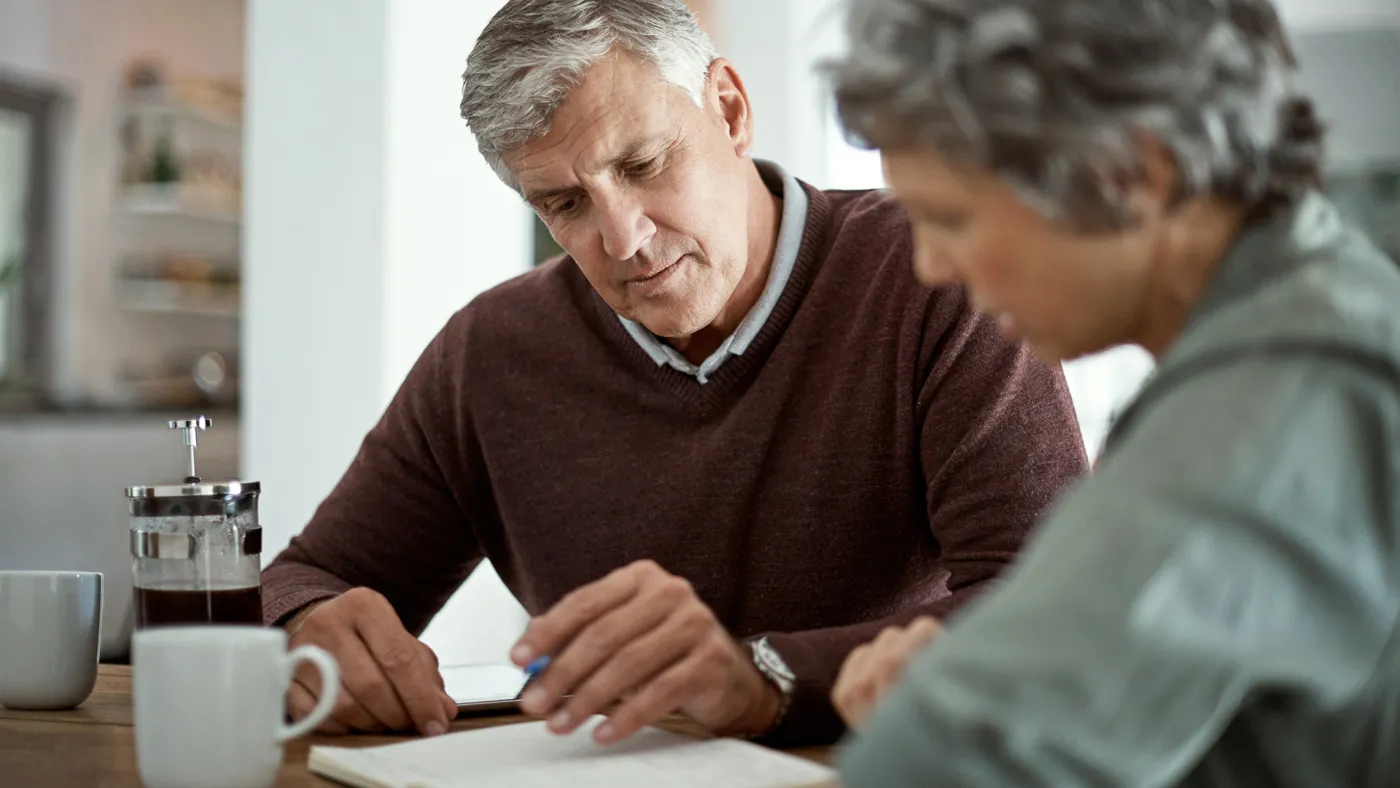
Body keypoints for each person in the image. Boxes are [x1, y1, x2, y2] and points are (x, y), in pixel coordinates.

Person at [260, 0, 1087, 748]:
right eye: (565, 205)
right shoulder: (491, 352)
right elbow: (304, 578)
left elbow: (1054, 616)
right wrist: (304, 624)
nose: (622, 240)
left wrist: (762, 679)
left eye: (645, 164)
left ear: (728, 109)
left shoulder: (940, 277)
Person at [824, 0, 1400, 784]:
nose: (931, 265)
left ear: (1134, 172)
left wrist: (985, 697)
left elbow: (945, 754)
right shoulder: (1333, 314)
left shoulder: (1275, 397)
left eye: (951, 217)